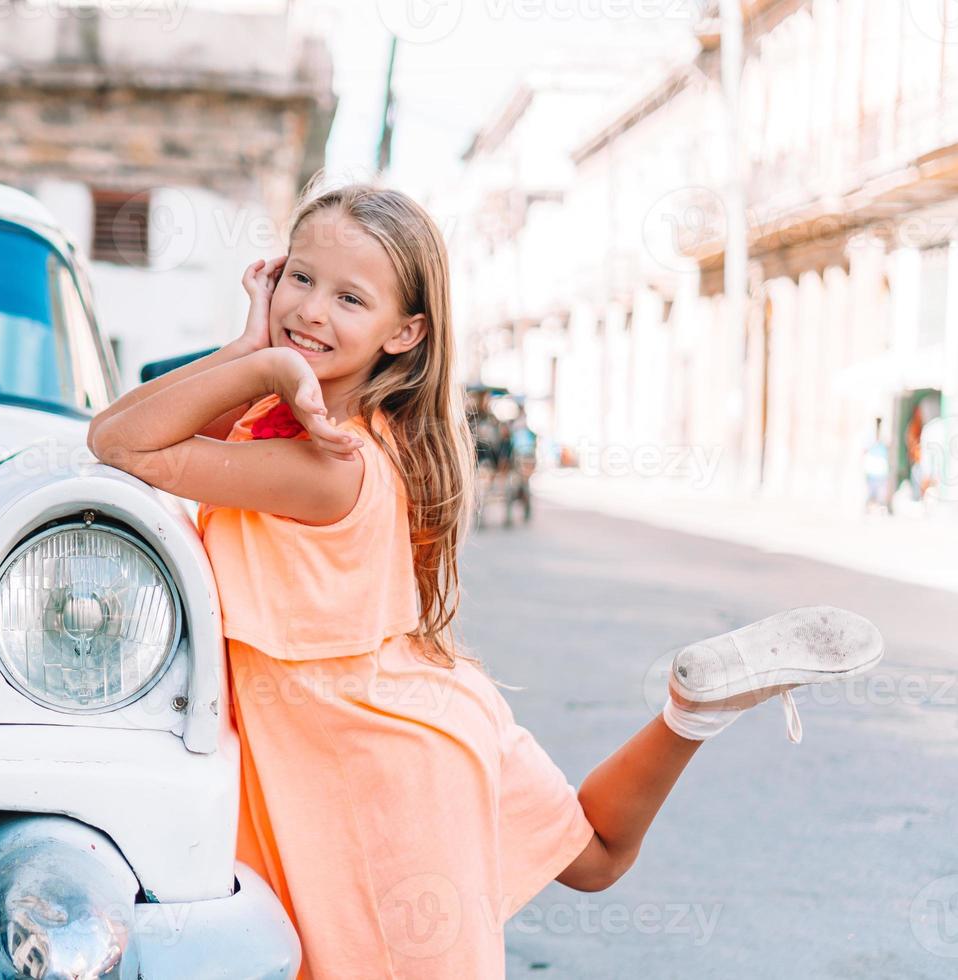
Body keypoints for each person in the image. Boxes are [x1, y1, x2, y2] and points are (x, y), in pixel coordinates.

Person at [86, 178, 884, 979]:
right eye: (300, 278)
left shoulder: (324, 461)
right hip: (417, 702)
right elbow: (150, 429)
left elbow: (118, 439)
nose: (311, 311)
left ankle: (693, 709)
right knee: (596, 854)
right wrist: (256, 355)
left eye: (350, 298)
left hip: (369, 758)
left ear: (406, 333)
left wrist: (254, 357)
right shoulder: (345, 430)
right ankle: (691, 708)